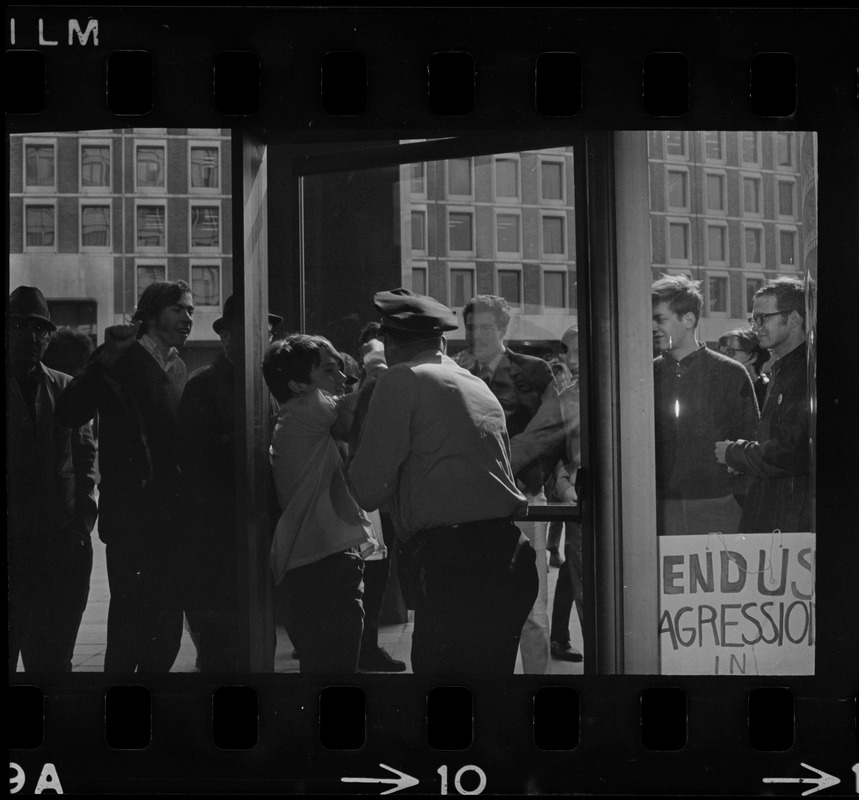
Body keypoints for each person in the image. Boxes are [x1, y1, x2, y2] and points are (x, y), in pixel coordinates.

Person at [348, 288, 538, 675]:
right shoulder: (472, 381)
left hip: (455, 566)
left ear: (389, 343)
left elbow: (366, 489)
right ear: (441, 341)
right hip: (507, 556)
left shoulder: (401, 379)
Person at [55, 280, 194, 673]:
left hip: (170, 515)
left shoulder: (177, 366)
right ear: (150, 315)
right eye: (179, 309)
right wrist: (107, 359)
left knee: (166, 626)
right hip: (133, 517)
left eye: (190, 311)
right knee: (131, 625)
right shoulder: (121, 357)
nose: (188, 319)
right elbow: (68, 411)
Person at [263, 333, 381, 673]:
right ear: (298, 385)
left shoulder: (296, 415)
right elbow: (369, 399)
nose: (343, 378)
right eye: (330, 370)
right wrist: (376, 359)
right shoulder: (311, 408)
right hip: (325, 563)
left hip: (312, 563)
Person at [177, 293, 283, 672]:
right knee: (222, 648)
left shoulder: (271, 387)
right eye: (252, 331)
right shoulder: (202, 386)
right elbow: (193, 459)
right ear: (226, 337)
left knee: (258, 643)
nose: (261, 339)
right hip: (219, 537)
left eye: (265, 332)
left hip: (260, 530)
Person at [463, 294, 557, 674]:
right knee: (482, 604)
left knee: (532, 610)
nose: (478, 335)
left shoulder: (534, 371)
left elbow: (550, 432)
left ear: (504, 329)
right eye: (471, 328)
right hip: (474, 504)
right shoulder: (458, 371)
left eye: (486, 327)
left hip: (524, 496)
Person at [8, 287, 98, 673]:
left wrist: (81, 525)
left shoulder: (65, 388)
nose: (31, 337)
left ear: (48, 336)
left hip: (56, 543)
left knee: (53, 659)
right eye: (21, 327)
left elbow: (85, 461)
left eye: (39, 330)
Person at [651, 275, 759, 536]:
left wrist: (737, 498)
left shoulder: (730, 372)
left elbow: (752, 439)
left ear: (688, 320)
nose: (652, 326)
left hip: (719, 505)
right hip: (658, 506)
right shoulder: (647, 373)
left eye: (660, 319)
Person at [715, 277, 811, 533]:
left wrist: (734, 453)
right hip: (781, 511)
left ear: (793, 319)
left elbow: (791, 453)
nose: (756, 327)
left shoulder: (805, 373)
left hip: (791, 520)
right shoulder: (785, 368)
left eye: (763, 318)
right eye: (753, 319)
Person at [718, 328, 770, 410]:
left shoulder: (768, 393)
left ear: (753, 357)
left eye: (730, 352)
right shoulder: (721, 391)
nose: (723, 359)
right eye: (720, 355)